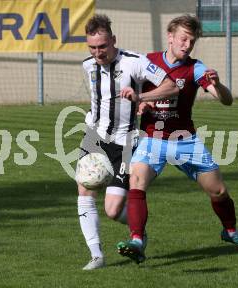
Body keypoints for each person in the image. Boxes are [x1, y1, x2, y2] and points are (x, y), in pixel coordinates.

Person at [117, 14, 238, 264]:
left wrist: (219, 84)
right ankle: (138, 239)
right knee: (136, 180)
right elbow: (131, 94)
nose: (187, 45)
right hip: (153, 138)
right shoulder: (147, 62)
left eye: (191, 41)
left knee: (219, 191)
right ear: (170, 37)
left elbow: (226, 100)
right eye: (183, 39)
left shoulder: (195, 67)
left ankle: (231, 231)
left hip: (185, 140)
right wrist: (141, 105)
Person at [77, 14, 178, 270]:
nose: (98, 52)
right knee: (85, 189)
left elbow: (171, 86)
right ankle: (96, 255)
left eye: (102, 46)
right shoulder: (88, 66)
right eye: (92, 47)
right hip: (94, 138)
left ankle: (137, 230)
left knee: (112, 210)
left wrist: (142, 96)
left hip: (125, 144)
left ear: (113, 40)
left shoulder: (135, 63)